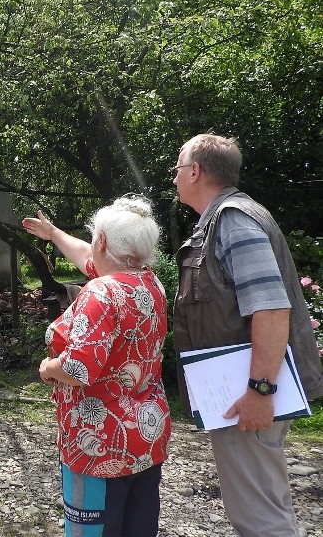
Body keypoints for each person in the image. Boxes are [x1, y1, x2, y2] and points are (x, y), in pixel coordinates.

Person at [171, 134, 323, 536]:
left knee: (259, 518)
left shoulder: (234, 220)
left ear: (195, 171)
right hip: (239, 393)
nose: (173, 179)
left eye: (177, 169)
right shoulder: (224, 219)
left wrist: (260, 391)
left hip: (248, 397)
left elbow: (271, 308)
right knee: (262, 505)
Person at [23, 196, 171, 537]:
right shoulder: (149, 283)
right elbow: (90, 259)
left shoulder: (101, 292)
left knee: (93, 532)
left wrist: (47, 368)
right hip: (146, 439)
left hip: (99, 446)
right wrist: (55, 234)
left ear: (102, 240)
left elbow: (78, 370)